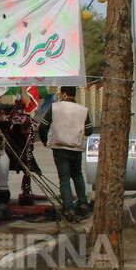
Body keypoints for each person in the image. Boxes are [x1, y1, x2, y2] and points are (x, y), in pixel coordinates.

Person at [39, 86, 93, 219]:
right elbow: (89, 131)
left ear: (64, 94)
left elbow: (43, 126)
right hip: (76, 148)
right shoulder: (83, 110)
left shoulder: (55, 107)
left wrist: (45, 141)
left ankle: (68, 209)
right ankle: (83, 203)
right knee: (77, 175)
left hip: (59, 147)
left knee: (64, 179)